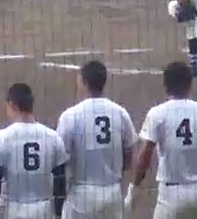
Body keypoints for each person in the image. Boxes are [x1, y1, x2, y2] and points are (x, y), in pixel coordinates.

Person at [132, 61, 197, 219]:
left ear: (165, 85)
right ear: (190, 84)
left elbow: (144, 157)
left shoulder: (157, 113)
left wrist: (135, 186)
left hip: (171, 195)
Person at [56, 61, 138, 219]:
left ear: (84, 82)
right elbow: (128, 156)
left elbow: (60, 159)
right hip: (112, 193)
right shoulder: (119, 112)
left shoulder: (71, 115)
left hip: (82, 194)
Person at [0, 84, 66, 219]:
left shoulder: (0, 138)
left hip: (12, 209)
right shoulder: (53, 137)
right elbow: (60, 179)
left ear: (12, 105)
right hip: (43, 209)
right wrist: (58, 212)